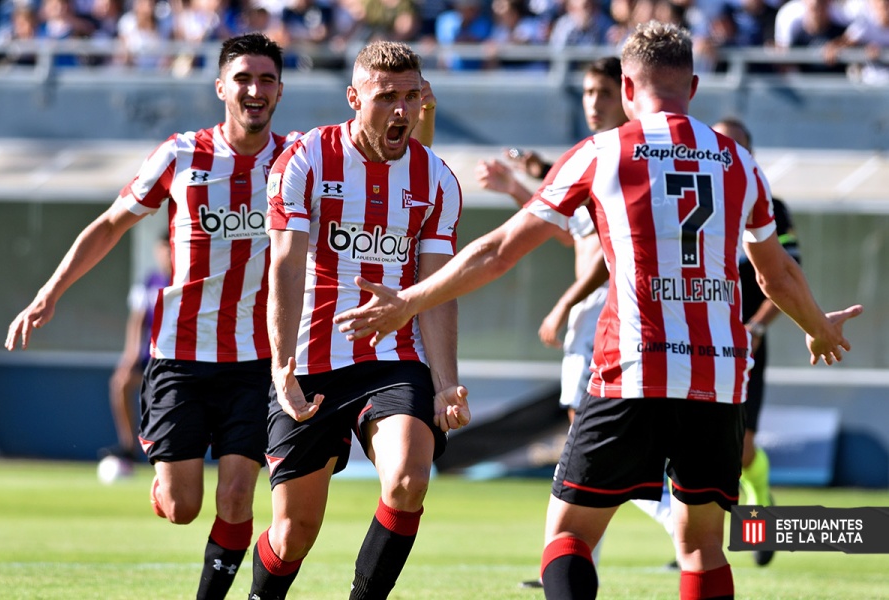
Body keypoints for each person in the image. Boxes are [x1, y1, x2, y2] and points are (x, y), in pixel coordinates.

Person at [333, 21, 863, 600]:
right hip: (718, 375)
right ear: (694, 83)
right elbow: (776, 273)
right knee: (702, 548)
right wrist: (819, 326)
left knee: (567, 538)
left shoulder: (601, 153)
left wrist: (410, 299)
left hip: (632, 368)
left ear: (628, 90)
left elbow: (499, 251)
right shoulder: (738, 163)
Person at [6, 33, 300, 600]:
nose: (254, 89)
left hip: (257, 360)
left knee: (239, 495)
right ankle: (166, 481)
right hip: (180, 357)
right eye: (243, 78)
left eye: (266, 79)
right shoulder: (180, 154)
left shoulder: (294, 161)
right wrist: (51, 290)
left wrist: (417, 109)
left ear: (280, 91)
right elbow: (112, 223)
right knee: (183, 508)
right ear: (221, 88)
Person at [246, 40, 469, 600]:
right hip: (311, 357)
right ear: (354, 98)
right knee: (294, 532)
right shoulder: (304, 159)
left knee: (408, 480)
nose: (401, 110)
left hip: (394, 358)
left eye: (411, 97)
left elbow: (438, 291)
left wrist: (446, 385)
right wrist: (282, 367)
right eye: (385, 96)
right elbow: (286, 268)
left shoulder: (438, 179)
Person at [476, 57, 676, 582]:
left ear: (627, 94)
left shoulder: (620, 157)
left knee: (589, 448)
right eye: (587, 92)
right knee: (589, 449)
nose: (593, 102)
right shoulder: (601, 156)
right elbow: (570, 227)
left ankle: (668, 523)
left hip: (605, 319)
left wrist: (565, 302)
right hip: (615, 320)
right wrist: (522, 181)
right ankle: (580, 555)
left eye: (604, 92)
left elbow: (597, 250)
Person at [713, 116, 801, 567]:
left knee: (742, 448)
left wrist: (758, 328)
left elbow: (786, 274)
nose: (726, 152)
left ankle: (760, 504)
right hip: (696, 339)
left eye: (736, 146)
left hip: (744, 344)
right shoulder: (693, 197)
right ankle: (690, 542)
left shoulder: (768, 204)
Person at [100, 231, 172, 475]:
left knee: (164, 401)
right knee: (120, 384)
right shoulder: (150, 281)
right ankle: (128, 446)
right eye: (163, 248)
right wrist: (130, 356)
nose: (167, 254)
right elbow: (137, 320)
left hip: (173, 355)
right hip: (147, 355)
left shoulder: (185, 280)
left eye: (170, 247)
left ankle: (165, 452)